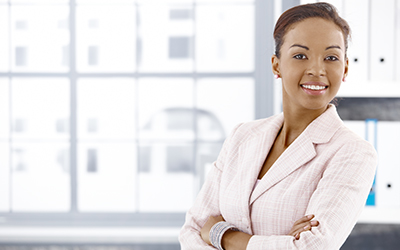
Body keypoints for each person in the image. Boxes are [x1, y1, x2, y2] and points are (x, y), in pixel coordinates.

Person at [179, 2, 377, 250]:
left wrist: (222, 235)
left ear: (345, 68)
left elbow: (313, 247)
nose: (317, 69)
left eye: (331, 57)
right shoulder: (242, 136)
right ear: (276, 65)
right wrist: (283, 242)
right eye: (300, 56)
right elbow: (193, 230)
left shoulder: (353, 153)